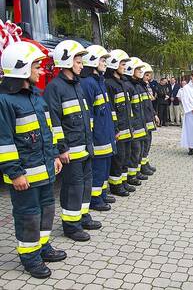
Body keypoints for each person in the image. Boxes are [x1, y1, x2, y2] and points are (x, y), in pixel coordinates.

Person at [0, 41, 66, 278]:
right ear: (22, 68)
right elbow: (4, 142)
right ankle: (29, 258)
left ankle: (42, 246)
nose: (41, 71)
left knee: (46, 210)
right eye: (37, 66)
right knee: (28, 216)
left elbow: (48, 131)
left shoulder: (37, 97)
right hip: (25, 175)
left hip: (46, 168)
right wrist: (15, 172)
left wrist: (56, 155)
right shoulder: (4, 101)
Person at [44, 40, 100, 242]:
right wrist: (61, 149)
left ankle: (81, 216)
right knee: (72, 188)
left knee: (85, 185)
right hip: (70, 150)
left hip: (84, 147)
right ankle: (70, 225)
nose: (81, 65)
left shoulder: (77, 85)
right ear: (66, 61)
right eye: (78, 62)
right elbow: (54, 122)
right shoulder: (55, 88)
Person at [80, 45, 116, 212]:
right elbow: (89, 115)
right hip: (98, 137)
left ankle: (101, 194)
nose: (105, 63)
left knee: (105, 167)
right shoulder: (88, 83)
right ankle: (95, 199)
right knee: (98, 168)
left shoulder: (99, 81)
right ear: (92, 61)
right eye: (102, 60)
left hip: (105, 134)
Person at [104, 49, 135, 197]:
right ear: (114, 65)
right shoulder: (109, 84)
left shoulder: (122, 83)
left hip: (126, 127)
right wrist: (116, 129)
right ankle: (115, 185)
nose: (125, 67)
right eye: (122, 64)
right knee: (118, 158)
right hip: (119, 129)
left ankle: (122, 182)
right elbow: (112, 110)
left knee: (126, 156)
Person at [140, 62, 159, 175]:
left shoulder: (146, 87)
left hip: (149, 118)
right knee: (143, 143)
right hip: (144, 120)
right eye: (147, 75)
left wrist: (154, 114)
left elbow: (149, 103)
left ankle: (145, 162)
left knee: (148, 142)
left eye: (149, 75)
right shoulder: (140, 87)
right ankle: (142, 165)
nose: (149, 77)